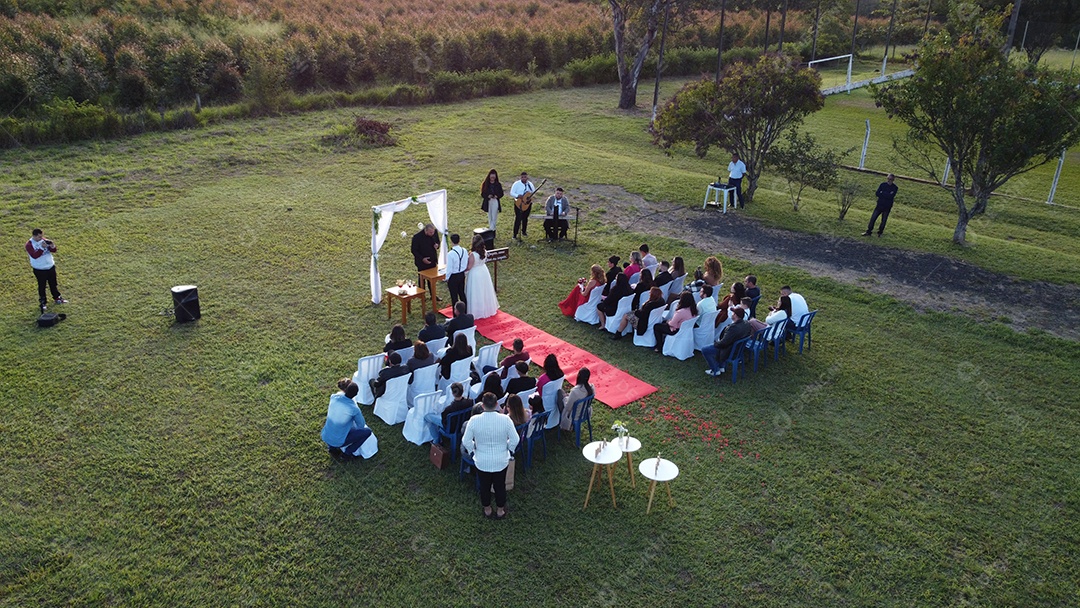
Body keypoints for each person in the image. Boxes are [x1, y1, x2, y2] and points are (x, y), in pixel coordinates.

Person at [461, 392, 520, 519]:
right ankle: (500, 511)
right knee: (500, 486)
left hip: (482, 461)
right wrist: (509, 449)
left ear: (482, 406)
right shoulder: (505, 420)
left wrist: (473, 451)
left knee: (484, 486)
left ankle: (487, 509)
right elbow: (515, 439)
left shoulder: (474, 420)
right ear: (497, 404)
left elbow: (466, 441)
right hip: (501, 460)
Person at [321, 378, 374, 459]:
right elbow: (361, 425)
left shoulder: (333, 397)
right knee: (367, 432)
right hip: (338, 440)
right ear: (356, 394)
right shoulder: (354, 409)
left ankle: (332, 448)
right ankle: (347, 453)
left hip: (325, 435)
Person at [26, 228, 67, 313]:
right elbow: (34, 255)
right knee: (42, 286)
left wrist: (52, 246)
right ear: (34, 236)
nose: (41, 238)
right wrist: (41, 248)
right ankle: (43, 303)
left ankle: (57, 297)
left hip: (50, 266)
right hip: (39, 269)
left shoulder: (44, 240)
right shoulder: (29, 245)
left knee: (53, 283)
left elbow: (54, 250)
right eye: (39, 237)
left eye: (42, 236)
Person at [702, 307, 753, 376]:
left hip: (730, 351)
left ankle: (715, 370)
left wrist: (715, 344)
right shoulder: (747, 324)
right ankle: (721, 366)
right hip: (738, 350)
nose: (732, 314)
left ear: (735, 315)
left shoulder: (733, 328)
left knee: (705, 350)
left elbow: (723, 343)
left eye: (733, 313)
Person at [465, 234, 500, 319]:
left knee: (476, 291)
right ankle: (485, 307)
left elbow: (469, 267)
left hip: (475, 273)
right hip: (483, 271)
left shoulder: (473, 255)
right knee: (484, 290)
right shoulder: (484, 251)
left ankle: (476, 311)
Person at [560, 367, 595, 431]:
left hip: (575, 415)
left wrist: (565, 398)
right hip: (584, 412)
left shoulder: (575, 391)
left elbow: (568, 407)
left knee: (560, 393)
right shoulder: (592, 387)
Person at [445, 233, 469, 312]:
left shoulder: (450, 254)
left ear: (451, 241)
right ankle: (465, 311)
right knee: (462, 293)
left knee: (454, 296)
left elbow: (449, 268)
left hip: (453, 276)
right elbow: (466, 261)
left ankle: (456, 314)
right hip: (461, 274)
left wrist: (447, 278)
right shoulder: (464, 250)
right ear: (459, 241)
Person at [509, 171, 536, 239]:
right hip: (518, 203)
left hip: (527, 204)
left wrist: (529, 198)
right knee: (518, 218)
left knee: (525, 218)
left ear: (527, 177)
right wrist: (518, 195)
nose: (524, 178)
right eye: (522, 177)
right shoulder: (516, 184)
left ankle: (524, 231)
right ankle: (515, 234)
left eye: (525, 177)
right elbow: (511, 193)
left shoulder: (530, 184)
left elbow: (533, 192)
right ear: (520, 177)